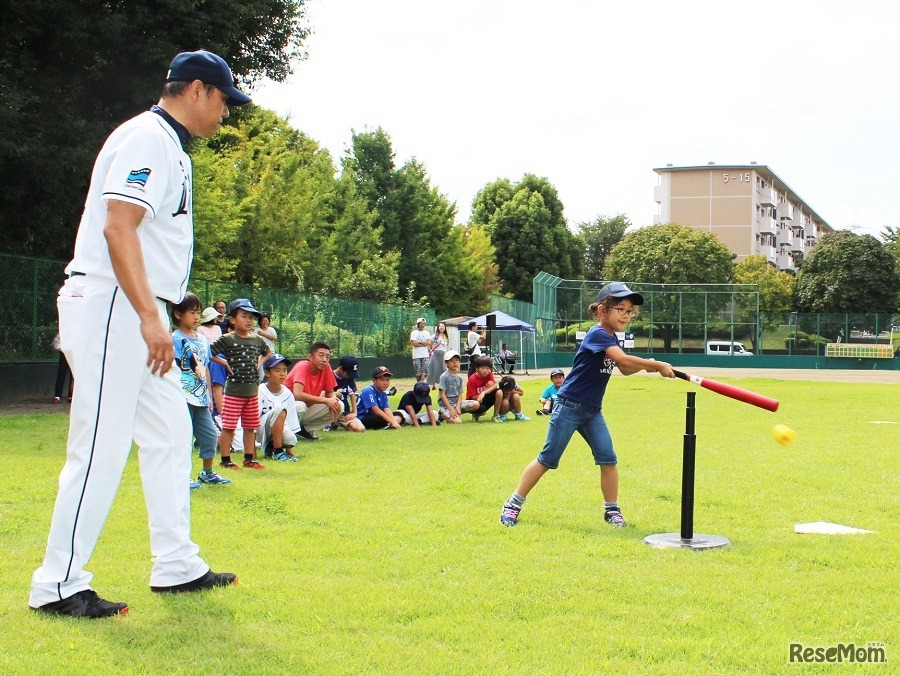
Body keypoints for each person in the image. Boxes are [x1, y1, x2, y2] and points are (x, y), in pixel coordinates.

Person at [30, 50, 249, 618]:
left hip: (133, 307)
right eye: (224, 100)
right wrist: (152, 318)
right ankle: (57, 584)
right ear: (197, 90)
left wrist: (152, 313)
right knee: (100, 444)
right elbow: (117, 225)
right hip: (114, 303)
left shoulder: (169, 146)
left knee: (172, 433)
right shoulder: (149, 136)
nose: (226, 112)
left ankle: (176, 565)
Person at [499, 282, 675, 529]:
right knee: (548, 458)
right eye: (621, 309)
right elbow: (624, 360)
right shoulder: (597, 334)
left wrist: (648, 365)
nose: (626, 314)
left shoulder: (612, 337)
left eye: (630, 310)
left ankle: (611, 510)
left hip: (592, 410)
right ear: (603, 310)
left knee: (608, 458)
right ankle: (513, 504)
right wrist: (655, 365)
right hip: (569, 406)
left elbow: (624, 368)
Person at [171, 292, 231, 488]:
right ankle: (181, 477)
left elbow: (204, 367)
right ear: (178, 314)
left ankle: (207, 472)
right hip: (183, 397)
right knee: (183, 438)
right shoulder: (175, 339)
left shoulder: (202, 340)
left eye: (198, 313)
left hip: (201, 399)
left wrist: (210, 396)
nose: (196, 317)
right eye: (191, 313)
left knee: (209, 435)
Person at [210, 298, 271, 470]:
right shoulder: (228, 339)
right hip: (233, 393)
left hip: (252, 392)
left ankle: (249, 459)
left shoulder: (257, 340)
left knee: (250, 427)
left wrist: (259, 363)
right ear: (232, 319)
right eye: (244, 316)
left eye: (251, 317)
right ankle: (225, 460)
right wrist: (224, 363)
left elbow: (268, 352)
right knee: (228, 427)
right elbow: (209, 352)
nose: (249, 320)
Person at [284, 341, 343, 440]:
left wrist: (333, 400)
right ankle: (287, 434)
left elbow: (330, 392)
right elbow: (297, 394)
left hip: (307, 407)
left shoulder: (327, 368)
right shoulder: (302, 366)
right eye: (321, 355)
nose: (324, 360)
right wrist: (325, 400)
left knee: (339, 405)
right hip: (287, 408)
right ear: (310, 357)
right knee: (300, 406)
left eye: (327, 357)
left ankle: (305, 431)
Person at [257, 354, 301, 461]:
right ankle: (278, 451)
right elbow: (252, 419)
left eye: (284, 370)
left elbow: (291, 421)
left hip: (278, 428)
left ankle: (270, 447)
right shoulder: (259, 390)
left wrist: (290, 451)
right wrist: (251, 453)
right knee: (279, 409)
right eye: (277, 370)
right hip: (261, 428)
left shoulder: (287, 393)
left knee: (291, 439)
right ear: (267, 373)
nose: (282, 374)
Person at [437, 350, 480, 424]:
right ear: (446, 363)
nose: (455, 363)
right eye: (452, 361)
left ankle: (454, 413)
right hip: (446, 405)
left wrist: (458, 406)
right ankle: (442, 414)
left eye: (457, 361)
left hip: (456, 403)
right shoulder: (444, 376)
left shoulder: (459, 378)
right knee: (458, 422)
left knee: (476, 404)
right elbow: (442, 394)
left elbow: (460, 394)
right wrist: (450, 409)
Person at [333, 354, 365, 432]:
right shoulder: (330, 375)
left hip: (344, 412)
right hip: (331, 410)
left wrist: (354, 412)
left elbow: (352, 393)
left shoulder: (349, 378)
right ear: (340, 368)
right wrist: (334, 394)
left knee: (360, 429)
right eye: (349, 373)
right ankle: (330, 422)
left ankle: (337, 422)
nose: (350, 376)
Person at [467, 356, 503, 422]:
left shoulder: (489, 374)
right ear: (477, 368)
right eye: (482, 368)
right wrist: (485, 389)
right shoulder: (472, 379)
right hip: (475, 401)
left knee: (499, 392)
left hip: (485, 397)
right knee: (480, 408)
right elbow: (472, 397)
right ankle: (476, 414)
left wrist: (484, 392)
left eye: (487, 368)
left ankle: (496, 416)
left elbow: (494, 385)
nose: (485, 371)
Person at [51, 330, 73, 404]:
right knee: (62, 371)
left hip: (75, 348)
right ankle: (57, 396)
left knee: (73, 372)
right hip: (65, 347)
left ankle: (71, 396)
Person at [426, 322, 449, 389]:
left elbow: (445, 347)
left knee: (443, 369)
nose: (442, 328)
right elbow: (430, 344)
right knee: (433, 369)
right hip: (435, 354)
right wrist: (432, 350)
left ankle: (443, 383)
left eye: (443, 326)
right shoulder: (434, 336)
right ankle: (433, 385)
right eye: (441, 326)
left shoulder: (445, 337)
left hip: (443, 355)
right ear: (438, 328)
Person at [410, 318, 432, 382]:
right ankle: (418, 384)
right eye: (421, 323)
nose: (422, 325)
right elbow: (414, 343)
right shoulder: (414, 333)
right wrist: (424, 343)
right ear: (418, 324)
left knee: (424, 371)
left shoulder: (427, 333)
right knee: (418, 372)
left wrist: (419, 342)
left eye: (423, 323)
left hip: (425, 355)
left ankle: (421, 384)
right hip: (417, 355)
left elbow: (429, 343)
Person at [256, 313, 277, 381]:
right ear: (260, 322)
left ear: (268, 321)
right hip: (260, 355)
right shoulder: (256, 330)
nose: (264, 322)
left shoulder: (271, 329)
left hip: (271, 353)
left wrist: (263, 333)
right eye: (263, 321)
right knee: (261, 374)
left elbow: (274, 337)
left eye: (266, 320)